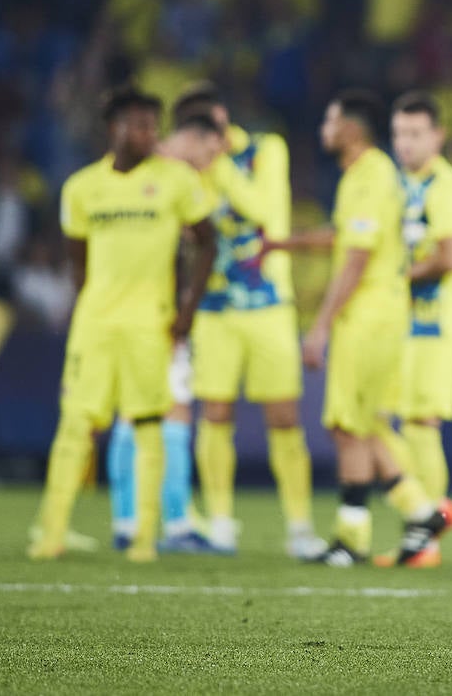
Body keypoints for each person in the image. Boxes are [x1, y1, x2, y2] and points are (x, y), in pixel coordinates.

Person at [29, 89, 215, 562]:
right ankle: (51, 534)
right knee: (75, 426)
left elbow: (207, 244)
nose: (149, 135)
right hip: (95, 324)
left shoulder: (176, 181)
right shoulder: (82, 188)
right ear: (113, 129)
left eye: (153, 125)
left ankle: (143, 539)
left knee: (149, 425)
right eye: (139, 125)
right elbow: (78, 265)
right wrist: (89, 307)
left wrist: (186, 313)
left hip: (149, 325)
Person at [269, 91, 452, 566]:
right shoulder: (364, 176)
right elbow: (342, 234)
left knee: (346, 426)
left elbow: (356, 256)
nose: (324, 129)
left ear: (352, 128)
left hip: (369, 316)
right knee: (364, 423)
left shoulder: (370, 175)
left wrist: (320, 327)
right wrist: (286, 243)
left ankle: (352, 539)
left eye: (330, 120)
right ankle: (421, 510)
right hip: (376, 315)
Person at [164, 86, 326, 559]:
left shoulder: (264, 149)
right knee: (214, 415)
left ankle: (298, 526)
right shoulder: (185, 169)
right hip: (214, 310)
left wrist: (214, 164)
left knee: (284, 418)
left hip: (268, 305)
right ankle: (219, 524)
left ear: (221, 117)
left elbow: (263, 213)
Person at [105, 109, 228, 554]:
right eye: (212, 150)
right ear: (195, 138)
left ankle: (127, 520)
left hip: (118, 307)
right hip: (158, 310)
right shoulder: (174, 177)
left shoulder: (128, 164)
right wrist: (184, 310)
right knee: (171, 412)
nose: (213, 160)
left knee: (130, 410)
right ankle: (175, 525)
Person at [388, 90, 452, 566]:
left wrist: (391, 276)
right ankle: (421, 520)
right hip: (398, 324)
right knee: (394, 422)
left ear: (437, 135)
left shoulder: (446, 186)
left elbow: (445, 256)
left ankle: (429, 536)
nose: (406, 143)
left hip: (433, 327)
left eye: (416, 133)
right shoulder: (396, 184)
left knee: (421, 424)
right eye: (399, 133)